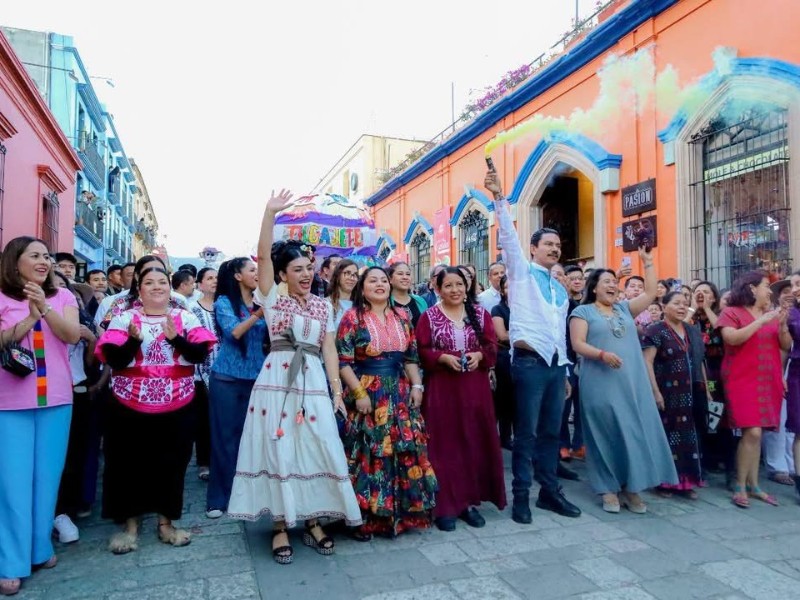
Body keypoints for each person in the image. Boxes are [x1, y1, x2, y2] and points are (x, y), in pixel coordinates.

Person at [228, 190, 360, 565]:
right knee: (279, 446)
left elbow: (330, 349)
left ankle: (314, 518)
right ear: (283, 274)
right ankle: (281, 525)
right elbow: (263, 250)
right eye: (297, 268)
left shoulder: (321, 305)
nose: (305, 274)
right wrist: (269, 213)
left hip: (314, 381)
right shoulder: (272, 298)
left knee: (317, 444)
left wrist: (336, 392)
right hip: (277, 381)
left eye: (309, 267)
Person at [95, 266, 216, 555]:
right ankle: (131, 527)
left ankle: (166, 524)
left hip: (177, 404)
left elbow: (199, 354)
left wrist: (176, 338)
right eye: (149, 282)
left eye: (162, 281)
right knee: (128, 465)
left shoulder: (185, 318)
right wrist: (134, 340)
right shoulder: (123, 318)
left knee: (173, 465)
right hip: (129, 405)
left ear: (169, 288)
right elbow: (114, 359)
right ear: (139, 288)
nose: (157, 287)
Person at [484, 168, 580, 523]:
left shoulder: (560, 288)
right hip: (527, 365)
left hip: (556, 369)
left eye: (558, 245)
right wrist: (498, 197)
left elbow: (558, 334)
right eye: (548, 245)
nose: (555, 249)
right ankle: (521, 497)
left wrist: (565, 371)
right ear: (533, 249)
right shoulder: (521, 274)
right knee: (525, 434)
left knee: (553, 433)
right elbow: (507, 236)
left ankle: (549, 494)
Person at [0, 237, 80, 596]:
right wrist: (28, 319)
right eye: (35, 255)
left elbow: (72, 335)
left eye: (46, 255)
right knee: (12, 485)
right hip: (9, 403)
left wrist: (44, 308)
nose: (44, 261)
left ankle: (39, 549)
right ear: (15, 261)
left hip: (57, 400)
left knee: (46, 480)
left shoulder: (62, 297)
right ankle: (11, 562)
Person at [568, 253, 678, 514]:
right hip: (599, 381)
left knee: (632, 432)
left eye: (614, 281)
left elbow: (651, 292)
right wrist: (602, 355)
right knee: (604, 433)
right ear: (593, 287)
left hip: (632, 382)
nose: (611, 285)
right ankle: (607, 488)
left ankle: (632, 487)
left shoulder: (625, 308)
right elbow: (578, 344)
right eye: (605, 281)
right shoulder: (581, 312)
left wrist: (648, 262)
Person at [338, 267, 435, 538]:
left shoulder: (402, 316)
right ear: (362, 286)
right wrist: (359, 394)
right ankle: (363, 518)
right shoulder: (352, 318)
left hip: (400, 393)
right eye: (373, 280)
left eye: (383, 280)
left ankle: (400, 515)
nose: (379, 284)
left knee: (403, 450)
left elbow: (411, 358)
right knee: (368, 454)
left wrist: (417, 385)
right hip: (368, 393)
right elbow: (344, 362)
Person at [417, 267, 505, 531]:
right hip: (443, 390)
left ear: (467, 287)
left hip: (474, 390)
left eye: (459, 284)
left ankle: (468, 503)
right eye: (448, 286)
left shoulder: (480, 314)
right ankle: (445, 504)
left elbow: (491, 347)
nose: (455, 290)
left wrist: (479, 356)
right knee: (445, 445)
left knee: (472, 442)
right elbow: (420, 349)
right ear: (438, 289)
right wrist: (442, 358)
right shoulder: (429, 317)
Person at [717, 271, 791, 508]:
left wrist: (781, 325)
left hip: (768, 377)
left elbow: (785, 346)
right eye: (766, 286)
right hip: (741, 378)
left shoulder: (771, 314)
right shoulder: (731, 312)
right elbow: (732, 339)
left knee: (758, 432)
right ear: (751, 288)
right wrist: (761, 321)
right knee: (753, 431)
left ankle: (754, 485)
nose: (770, 291)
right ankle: (740, 485)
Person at [205, 257, 267, 519]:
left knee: (253, 439)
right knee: (225, 440)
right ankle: (218, 499)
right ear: (238, 276)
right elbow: (234, 333)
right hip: (227, 380)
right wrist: (259, 314)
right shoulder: (223, 304)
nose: (257, 273)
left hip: (259, 378)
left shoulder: (261, 302)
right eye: (252, 269)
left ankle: (249, 494)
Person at [642, 291, 706, 499]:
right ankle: (664, 481)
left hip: (689, 391)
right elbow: (647, 362)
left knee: (688, 436)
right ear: (664, 306)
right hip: (666, 391)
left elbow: (699, 361)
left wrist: (706, 388)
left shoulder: (690, 330)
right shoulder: (655, 330)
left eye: (685, 304)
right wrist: (655, 391)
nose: (681, 307)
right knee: (667, 435)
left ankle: (686, 481)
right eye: (676, 303)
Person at [51, 272, 98, 545]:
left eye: (63, 288)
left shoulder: (79, 324)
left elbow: (91, 364)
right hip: (43, 394)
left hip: (77, 390)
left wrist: (91, 339)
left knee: (74, 455)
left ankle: (64, 510)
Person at [686, 281, 735, 484]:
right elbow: (680, 329)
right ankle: (703, 462)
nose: (701, 295)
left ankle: (726, 464)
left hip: (718, 371)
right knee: (700, 416)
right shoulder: (690, 317)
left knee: (722, 417)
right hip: (697, 371)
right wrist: (694, 309)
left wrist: (707, 308)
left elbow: (722, 330)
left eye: (706, 292)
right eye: (697, 292)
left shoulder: (722, 315)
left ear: (714, 297)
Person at [763, 278, 796, 486]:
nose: (790, 293)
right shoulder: (772, 315)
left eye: (794, 289)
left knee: (795, 422)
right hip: (779, 370)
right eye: (785, 290)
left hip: (796, 371)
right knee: (778, 419)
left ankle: (793, 464)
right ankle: (777, 466)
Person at [189, 267, 219, 482]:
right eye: (209, 278)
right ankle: (204, 462)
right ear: (200, 284)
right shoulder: (192, 309)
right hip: (200, 374)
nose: (214, 281)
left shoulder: (224, 306)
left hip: (223, 370)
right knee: (203, 420)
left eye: (216, 277)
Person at [491, 275, 514, 449]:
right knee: (504, 399)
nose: (511, 290)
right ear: (502, 290)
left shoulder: (527, 309)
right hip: (505, 358)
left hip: (523, 358)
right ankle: (503, 437)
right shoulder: (498, 310)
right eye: (507, 287)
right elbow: (502, 335)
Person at [785, 271, 800, 498]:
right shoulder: (791, 315)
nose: (795, 289)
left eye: (798, 284)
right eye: (793, 285)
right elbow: (782, 347)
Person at [388, 261, 428, 329]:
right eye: (400, 274)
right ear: (390, 279)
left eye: (408, 274)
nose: (405, 277)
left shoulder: (420, 301)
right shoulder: (385, 303)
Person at [326, 258, 358, 330]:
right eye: (347, 273)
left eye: (355, 274)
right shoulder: (325, 304)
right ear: (337, 275)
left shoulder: (361, 307)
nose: (352, 278)